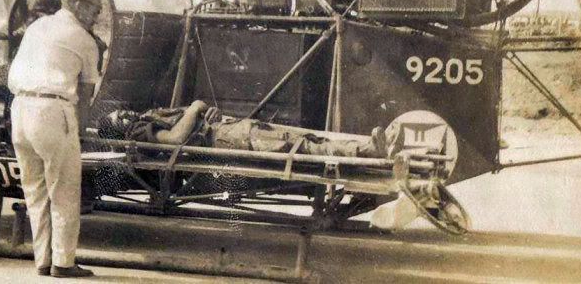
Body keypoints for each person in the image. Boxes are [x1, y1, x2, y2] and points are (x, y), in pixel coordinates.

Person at [8, 0, 102, 278]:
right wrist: (81, 132)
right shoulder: (85, 40)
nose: (96, 18)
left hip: (20, 109)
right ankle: (63, 262)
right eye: (94, 10)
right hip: (52, 111)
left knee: (34, 190)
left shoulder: (37, 27)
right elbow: (85, 95)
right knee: (64, 191)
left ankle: (42, 260)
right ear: (78, 5)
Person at [99, 100, 404, 159]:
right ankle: (369, 150)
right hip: (224, 138)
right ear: (120, 131)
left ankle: (371, 147)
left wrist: (206, 112)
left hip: (225, 129)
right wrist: (194, 108)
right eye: (119, 118)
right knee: (299, 146)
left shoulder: (147, 116)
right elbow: (175, 138)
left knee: (302, 139)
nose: (124, 113)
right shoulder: (138, 132)